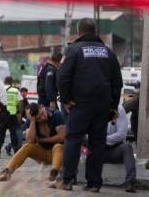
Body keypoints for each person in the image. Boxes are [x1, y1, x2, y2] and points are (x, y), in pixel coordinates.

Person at [57, 18, 123, 192]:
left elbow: (62, 77)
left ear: (79, 32)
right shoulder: (108, 52)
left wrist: (65, 100)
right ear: (95, 32)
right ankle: (94, 183)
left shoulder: (73, 50)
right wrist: (113, 106)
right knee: (97, 143)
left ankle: (68, 180)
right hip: (102, 106)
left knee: (73, 139)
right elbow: (117, 82)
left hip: (80, 104)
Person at [0, 103, 65, 182]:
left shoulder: (57, 115)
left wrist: (41, 140)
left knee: (58, 146)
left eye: (42, 114)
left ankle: (53, 175)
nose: (42, 117)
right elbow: (29, 141)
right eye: (38, 118)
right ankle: (7, 171)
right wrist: (32, 121)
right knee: (27, 147)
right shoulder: (33, 120)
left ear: (42, 107)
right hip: (43, 152)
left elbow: (61, 137)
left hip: (58, 153)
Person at [103, 105, 136, 193]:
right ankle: (70, 176)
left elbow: (121, 134)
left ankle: (130, 182)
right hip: (97, 149)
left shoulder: (119, 109)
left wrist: (102, 139)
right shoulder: (92, 106)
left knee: (127, 147)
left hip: (114, 149)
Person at [0, 76, 22, 158]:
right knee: (13, 134)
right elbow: (20, 102)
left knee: (1, 134)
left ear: (4, 82)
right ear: (12, 83)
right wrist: (20, 114)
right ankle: (16, 153)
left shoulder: (0, 90)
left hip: (2, 116)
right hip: (12, 115)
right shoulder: (15, 91)